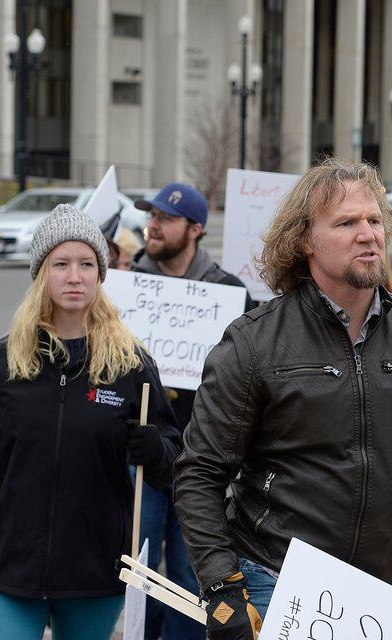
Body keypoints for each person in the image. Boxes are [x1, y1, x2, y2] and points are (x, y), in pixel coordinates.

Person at [174, 159, 392, 640]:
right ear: (305, 240)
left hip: (373, 593)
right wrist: (221, 583)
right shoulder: (253, 344)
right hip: (271, 581)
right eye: (346, 222)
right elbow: (199, 472)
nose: (368, 234)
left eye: (375, 220)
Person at [0, 204, 181, 640]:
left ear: (101, 275)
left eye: (86, 264)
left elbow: (176, 463)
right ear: (42, 273)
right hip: (12, 572)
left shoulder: (131, 366)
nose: (74, 276)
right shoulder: (2, 363)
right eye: (61, 264)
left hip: (95, 575)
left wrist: (157, 450)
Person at [131, 183, 254, 640]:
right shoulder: (128, 285)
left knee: (190, 575)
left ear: (196, 229)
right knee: (140, 572)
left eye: (166, 218)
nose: (154, 225)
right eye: (152, 215)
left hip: (203, 464)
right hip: (141, 457)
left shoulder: (229, 294)